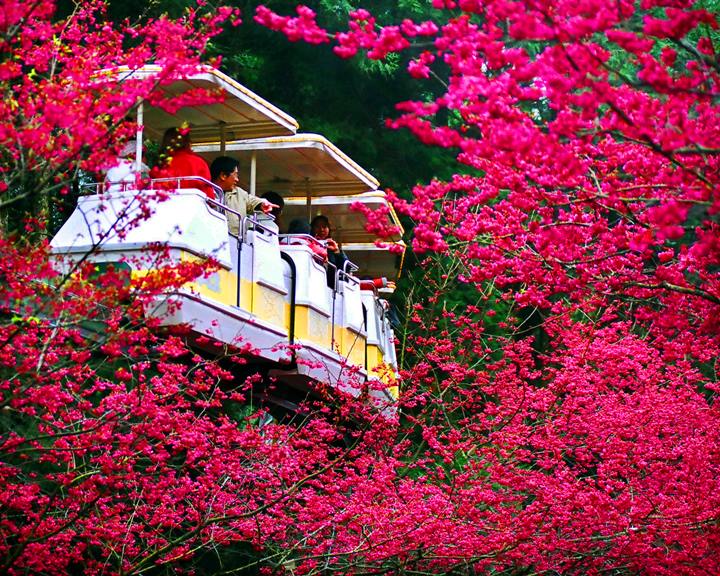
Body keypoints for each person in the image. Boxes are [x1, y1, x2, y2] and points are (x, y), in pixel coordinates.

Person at [210, 156, 278, 236]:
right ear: (223, 176)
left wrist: (262, 204)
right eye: (235, 175)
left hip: (235, 244)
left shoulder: (239, 193)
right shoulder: (205, 192)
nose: (237, 179)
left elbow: (251, 201)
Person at [150, 126, 213, 198]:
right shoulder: (199, 163)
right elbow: (210, 197)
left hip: (164, 206)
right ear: (188, 142)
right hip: (193, 206)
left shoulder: (160, 166)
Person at [311, 214, 348, 288]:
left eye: (324, 227)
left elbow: (345, 268)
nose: (321, 229)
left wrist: (337, 251)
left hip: (329, 286)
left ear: (329, 229)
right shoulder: (308, 243)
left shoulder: (332, 247)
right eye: (317, 226)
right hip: (312, 282)